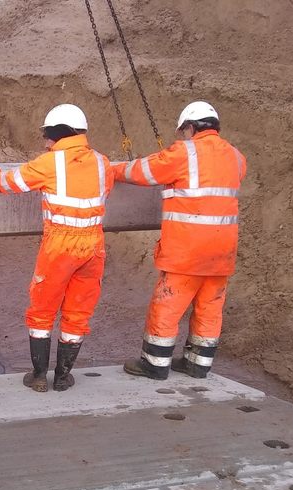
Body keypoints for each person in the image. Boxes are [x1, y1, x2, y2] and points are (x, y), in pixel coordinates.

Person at [0, 104, 116, 392]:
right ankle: (63, 377)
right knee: (78, 311)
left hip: (60, 246)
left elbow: (10, 182)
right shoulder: (102, 162)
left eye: (47, 136)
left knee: (42, 309)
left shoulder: (49, 163)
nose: (45, 142)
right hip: (93, 245)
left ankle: (39, 376)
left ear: (57, 134)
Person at [112, 101, 247, 379]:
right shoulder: (236, 156)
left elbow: (144, 172)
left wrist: (112, 170)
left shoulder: (184, 152)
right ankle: (197, 365)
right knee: (210, 308)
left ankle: (155, 364)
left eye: (183, 131)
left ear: (190, 127)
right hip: (222, 252)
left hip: (188, 250)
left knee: (168, 303)